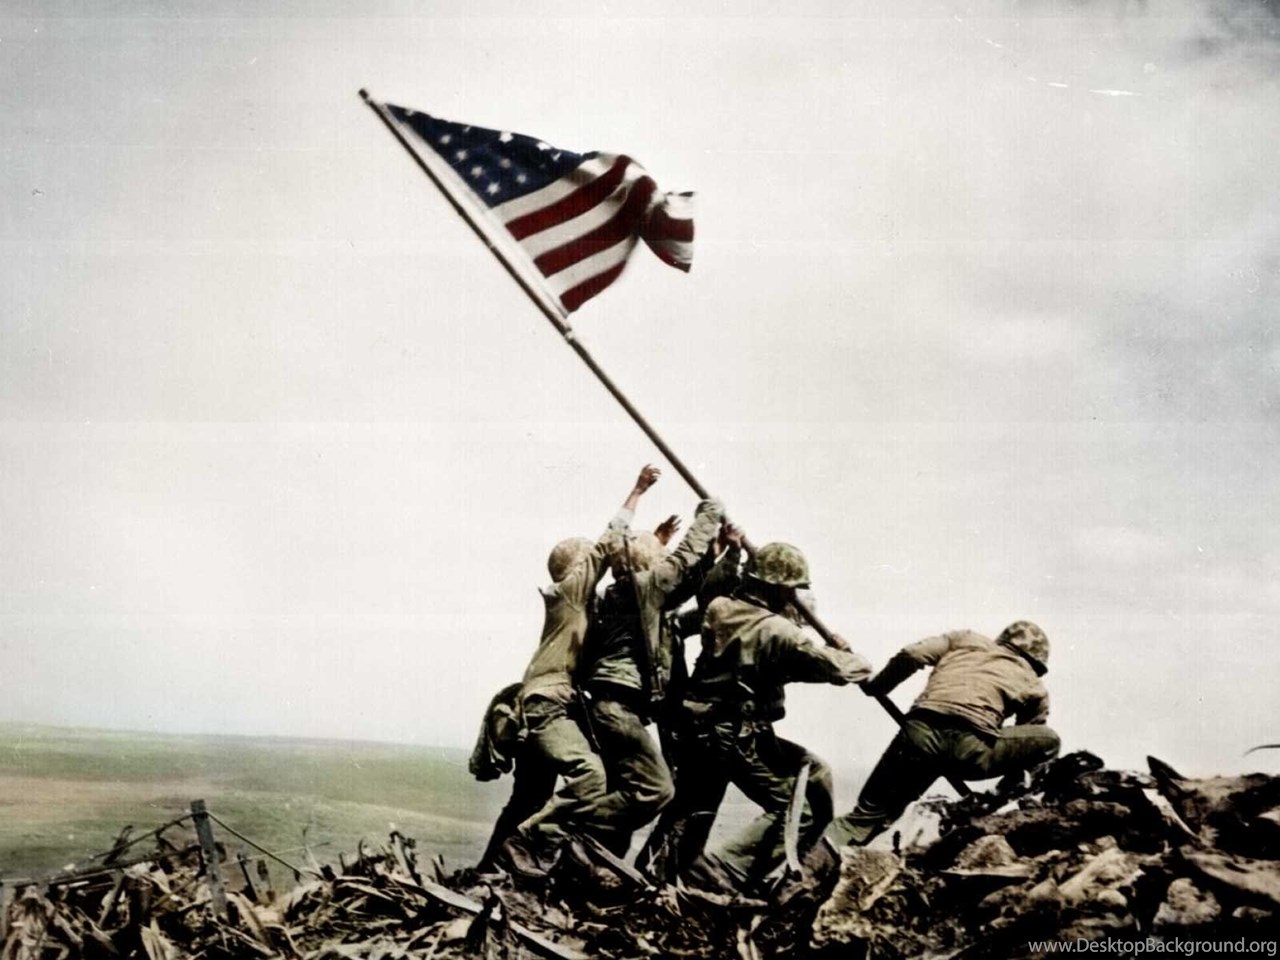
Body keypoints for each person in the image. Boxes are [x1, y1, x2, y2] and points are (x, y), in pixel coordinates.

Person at [651, 542, 872, 894]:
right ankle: (728, 871)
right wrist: (852, 656)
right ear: (782, 588)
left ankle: (658, 870)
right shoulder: (780, 633)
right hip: (734, 734)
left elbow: (699, 614)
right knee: (804, 806)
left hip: (697, 724)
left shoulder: (720, 609)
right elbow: (838, 670)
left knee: (695, 804)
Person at [494, 465, 661, 875]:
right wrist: (637, 491)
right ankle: (533, 844)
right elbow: (607, 545)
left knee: (529, 797)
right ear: (576, 569)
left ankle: (491, 866)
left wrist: (654, 544)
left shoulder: (579, 608)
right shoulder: (570, 594)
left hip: (545, 705)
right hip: (547, 705)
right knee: (590, 775)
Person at [576, 495, 726, 857]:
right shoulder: (643, 589)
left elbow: (687, 583)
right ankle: (562, 828)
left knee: (626, 792)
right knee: (657, 789)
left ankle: (595, 862)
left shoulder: (622, 597)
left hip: (611, 710)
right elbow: (682, 561)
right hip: (619, 710)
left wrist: (717, 555)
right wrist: (709, 513)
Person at [825, 621, 1061, 849]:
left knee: (864, 819)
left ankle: (804, 859)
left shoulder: (964, 639)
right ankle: (991, 801)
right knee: (1049, 740)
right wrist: (1002, 791)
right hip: (970, 752)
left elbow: (912, 654)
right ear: (1036, 662)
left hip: (918, 737)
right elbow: (1027, 743)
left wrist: (878, 686)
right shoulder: (1034, 684)